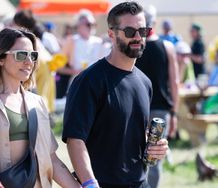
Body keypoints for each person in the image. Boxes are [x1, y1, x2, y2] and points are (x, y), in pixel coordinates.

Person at [62, 2, 169, 188]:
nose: (137, 37)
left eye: (143, 31)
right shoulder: (89, 81)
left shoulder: (145, 82)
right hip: (101, 183)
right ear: (111, 34)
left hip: (140, 183)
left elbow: (129, 131)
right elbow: (75, 140)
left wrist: (155, 147)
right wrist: (89, 183)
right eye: (129, 31)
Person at [0, 28, 80, 188]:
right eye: (21, 55)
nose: (29, 62)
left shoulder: (38, 102)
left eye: (33, 56)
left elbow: (52, 159)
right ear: (0, 58)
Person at [135, 5, 179, 188]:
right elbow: (174, 81)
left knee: (136, 156)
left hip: (136, 108)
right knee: (155, 159)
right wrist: (174, 113)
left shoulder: (134, 47)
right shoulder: (166, 46)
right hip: (159, 109)